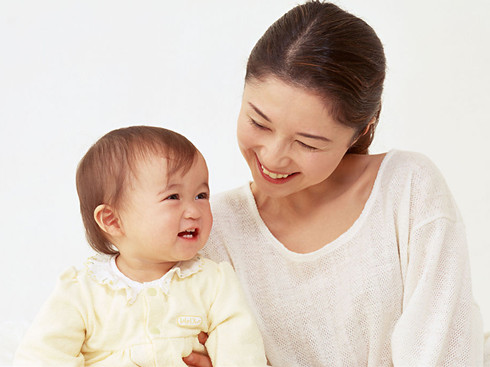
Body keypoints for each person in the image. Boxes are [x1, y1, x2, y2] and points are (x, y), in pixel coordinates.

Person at [184, 1, 488, 366]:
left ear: (362, 128)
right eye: (259, 122)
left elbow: (445, 354)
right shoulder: (209, 226)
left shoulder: (407, 190)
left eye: (308, 143)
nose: (273, 157)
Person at [14, 126, 267, 367]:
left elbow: (242, 350)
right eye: (173, 197)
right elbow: (41, 356)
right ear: (112, 220)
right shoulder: (82, 292)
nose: (194, 211)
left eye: (201, 195)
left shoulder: (214, 282)